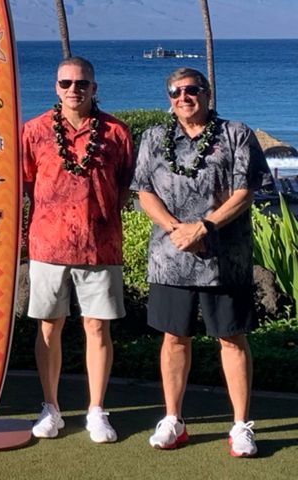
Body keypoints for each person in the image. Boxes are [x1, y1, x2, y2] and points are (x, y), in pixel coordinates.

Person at [132, 68, 266, 457]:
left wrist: (203, 228)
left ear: (207, 94)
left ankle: (241, 426)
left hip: (225, 259)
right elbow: (144, 191)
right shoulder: (154, 138)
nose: (184, 97)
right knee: (174, 338)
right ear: (168, 98)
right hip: (171, 258)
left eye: (192, 90)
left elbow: (245, 192)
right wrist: (178, 229)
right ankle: (173, 419)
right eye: (176, 92)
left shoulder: (235, 134)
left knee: (231, 338)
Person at [20, 58, 134, 443]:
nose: (74, 89)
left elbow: (122, 187)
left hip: (100, 246)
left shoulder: (116, 132)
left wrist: (100, 217)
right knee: (49, 327)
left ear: (94, 87)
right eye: (66, 83)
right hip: (47, 244)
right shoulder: (34, 131)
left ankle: (96, 410)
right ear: (56, 87)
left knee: (97, 327)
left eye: (82, 83)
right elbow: (24, 183)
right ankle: (50, 407)